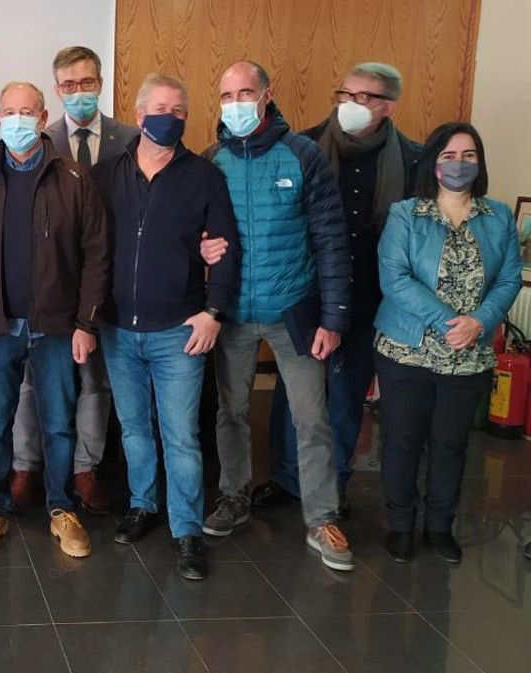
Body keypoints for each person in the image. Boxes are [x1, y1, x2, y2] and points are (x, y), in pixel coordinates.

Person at [203, 60, 356, 572]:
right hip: (232, 314)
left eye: (246, 93)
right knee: (230, 412)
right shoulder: (212, 160)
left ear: (267, 95)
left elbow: (331, 239)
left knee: (311, 417)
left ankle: (322, 516)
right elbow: (191, 231)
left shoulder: (303, 155)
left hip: (295, 313)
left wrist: (333, 318)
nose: (236, 104)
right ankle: (234, 495)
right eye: (227, 96)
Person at [256, 63, 422, 519]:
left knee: (347, 394)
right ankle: (286, 478)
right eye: (345, 94)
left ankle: (334, 482)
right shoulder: (304, 145)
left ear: (388, 106)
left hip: (370, 293)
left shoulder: (412, 160)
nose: (350, 104)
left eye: (364, 97)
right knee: (296, 391)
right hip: (306, 289)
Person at [92, 74, 240, 580]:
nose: (170, 118)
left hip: (180, 329)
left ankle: (187, 529)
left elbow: (225, 250)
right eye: (160, 109)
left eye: (179, 110)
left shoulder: (204, 176)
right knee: (134, 428)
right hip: (117, 328)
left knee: (181, 436)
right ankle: (142, 504)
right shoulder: (106, 175)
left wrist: (213, 312)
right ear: (139, 115)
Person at [0, 81, 108, 559]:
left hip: (57, 328)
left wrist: (86, 323)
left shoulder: (75, 180)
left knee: (58, 424)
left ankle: (62, 508)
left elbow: (97, 256)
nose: (17, 120)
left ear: (43, 119)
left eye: (27, 112)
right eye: (9, 112)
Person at [373, 122, 520, 564]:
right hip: (407, 350)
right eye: (449, 156)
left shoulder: (498, 217)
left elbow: (509, 278)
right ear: (433, 163)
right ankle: (401, 525)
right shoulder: (406, 214)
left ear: (480, 162)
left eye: (468, 155)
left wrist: (479, 322)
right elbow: (394, 277)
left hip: (468, 354)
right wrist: (448, 321)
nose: (459, 164)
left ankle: (440, 526)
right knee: (402, 441)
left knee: (451, 444)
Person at [8, 46, 137, 514]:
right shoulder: (36, 140)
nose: (77, 91)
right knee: (32, 381)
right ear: (56, 89)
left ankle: (86, 468)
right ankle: (26, 466)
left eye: (86, 82)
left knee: (94, 381)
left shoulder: (132, 139)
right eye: (68, 84)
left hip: (111, 281)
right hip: (51, 286)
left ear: (100, 83)